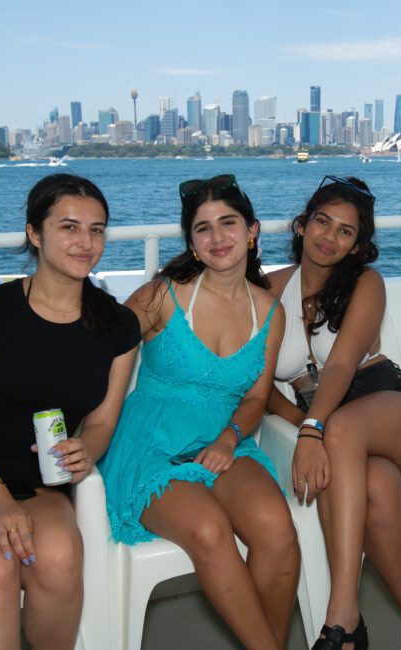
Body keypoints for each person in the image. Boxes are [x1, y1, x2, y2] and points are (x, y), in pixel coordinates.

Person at [98, 174, 299, 650]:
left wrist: (230, 438)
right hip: (151, 444)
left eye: (228, 223)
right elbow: (98, 355)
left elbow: (255, 398)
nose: (217, 238)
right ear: (191, 242)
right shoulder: (161, 297)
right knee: (209, 530)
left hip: (223, 439)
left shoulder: (270, 311)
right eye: (203, 228)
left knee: (277, 528)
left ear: (252, 230)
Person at [267, 175, 401, 650]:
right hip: (327, 424)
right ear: (302, 225)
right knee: (378, 486)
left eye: (346, 231)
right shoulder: (266, 288)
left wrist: (312, 429)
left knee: (341, 429)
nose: (330, 237)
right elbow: (257, 384)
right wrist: (303, 425)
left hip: (392, 404)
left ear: (357, 245)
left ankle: (344, 616)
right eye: (323, 222)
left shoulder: (367, 283)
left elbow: (342, 363)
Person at [0, 173, 141, 650]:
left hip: (39, 482)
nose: (86, 242)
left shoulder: (117, 325)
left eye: (97, 230)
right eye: (69, 227)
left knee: (56, 554)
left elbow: (101, 420)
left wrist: (86, 451)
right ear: (35, 234)